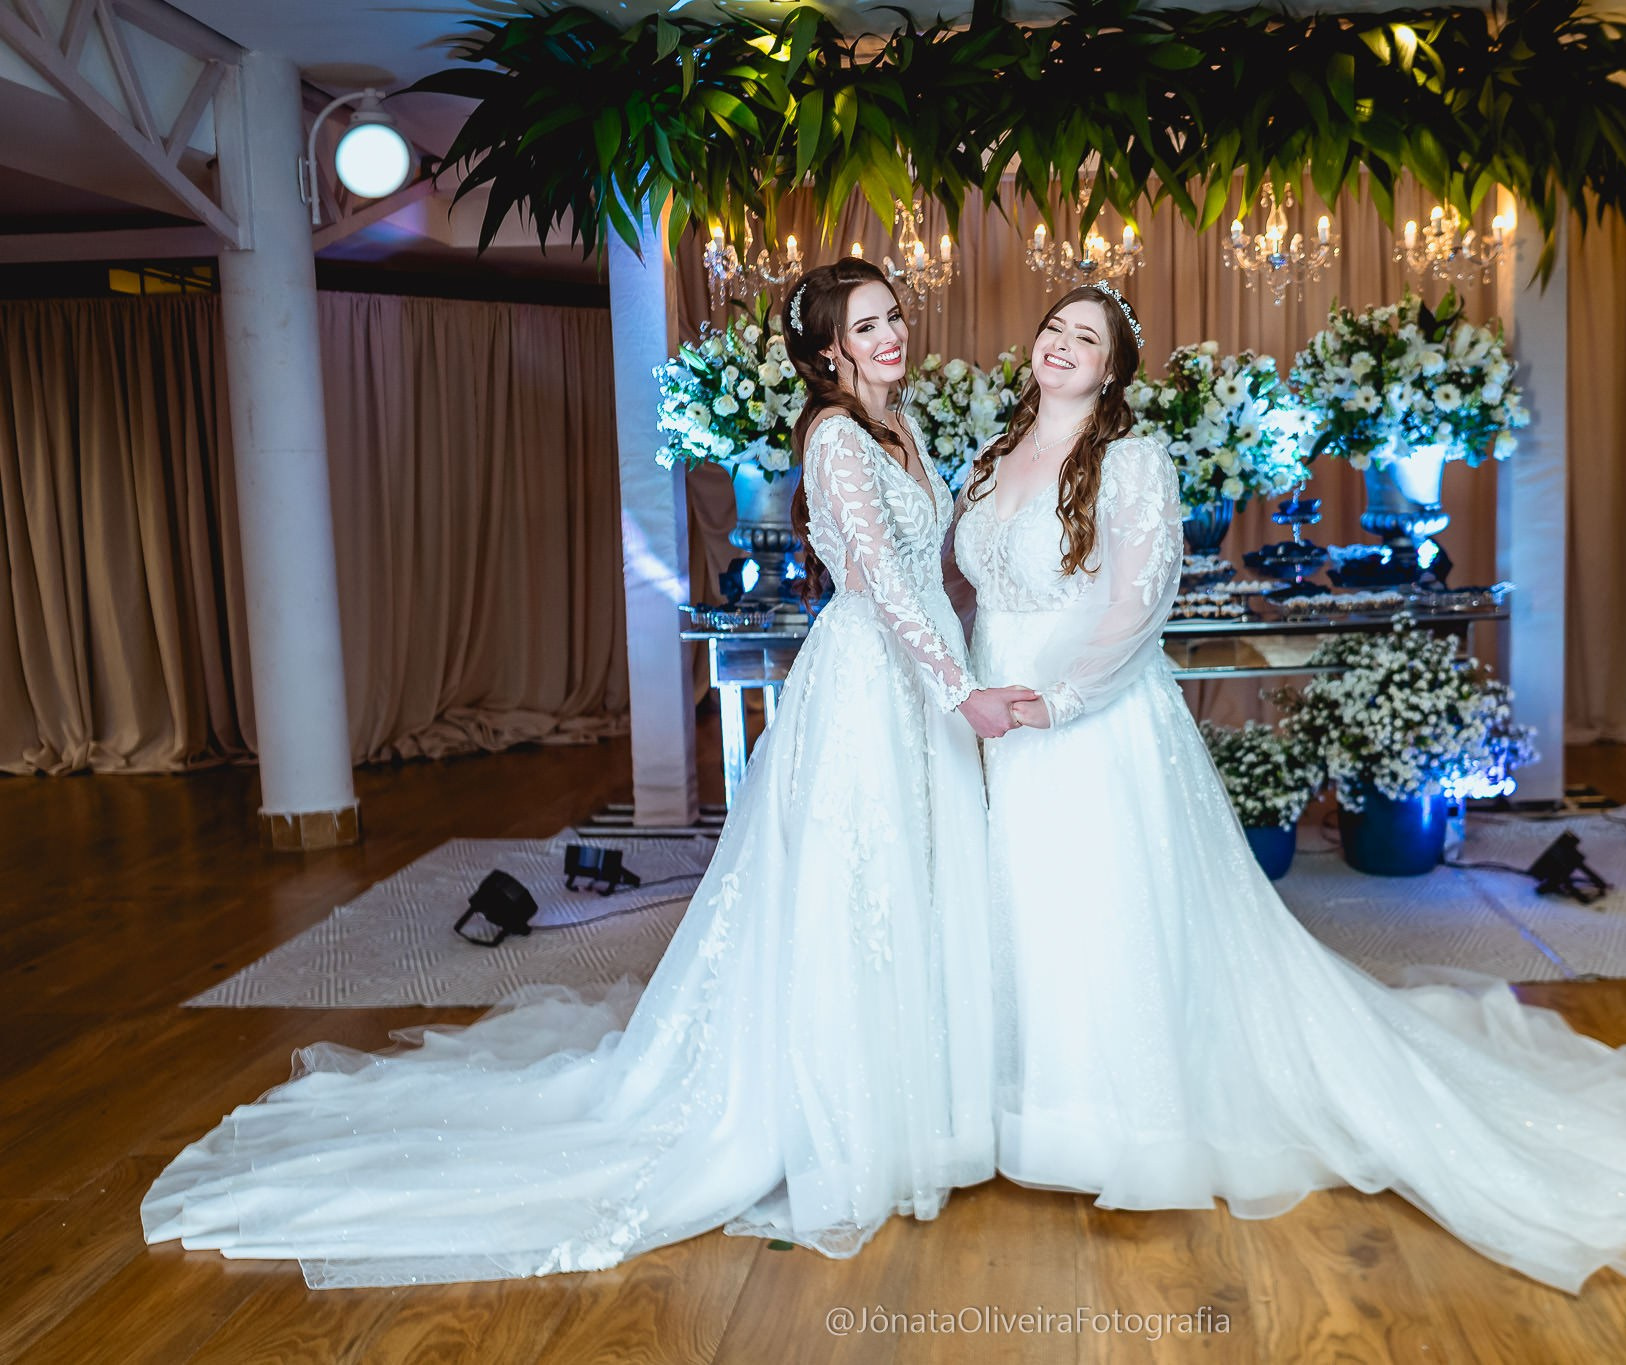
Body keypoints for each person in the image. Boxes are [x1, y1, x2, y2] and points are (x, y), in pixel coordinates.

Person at [140, 258, 1040, 1287]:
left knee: (920, 877)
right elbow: (877, 581)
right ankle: (853, 1115)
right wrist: (956, 688)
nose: (890, 336)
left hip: (924, 677)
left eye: (893, 317)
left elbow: (935, 568)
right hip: (874, 681)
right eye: (868, 325)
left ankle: (932, 1101)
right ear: (829, 349)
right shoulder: (834, 438)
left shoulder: (902, 424)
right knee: (857, 887)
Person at [952, 281, 1626, 1295]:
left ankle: (1111, 1122)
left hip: (1086, 721)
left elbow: (1139, 603)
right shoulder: (991, 457)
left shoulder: (1133, 460)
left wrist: (1057, 700)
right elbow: (973, 592)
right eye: (1053, 330)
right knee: (1021, 904)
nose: (1062, 346)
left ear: (1112, 370)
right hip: (995, 721)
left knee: (1102, 913)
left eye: (1086, 337)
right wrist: (967, 691)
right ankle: (1021, 1103)